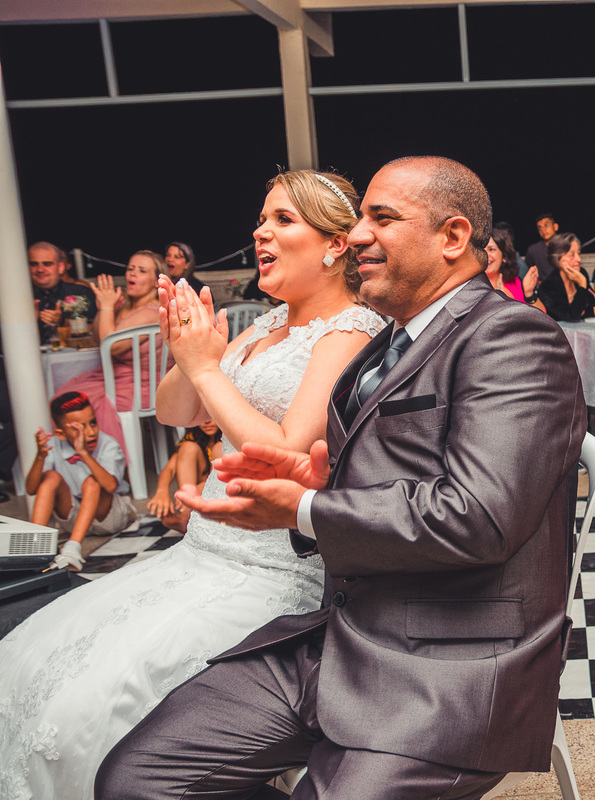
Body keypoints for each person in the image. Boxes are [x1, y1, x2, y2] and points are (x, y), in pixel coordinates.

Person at [96, 155, 587, 800]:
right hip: (342, 636)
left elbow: (478, 518)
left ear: (453, 238)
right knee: (136, 778)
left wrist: (305, 509)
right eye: (359, 220)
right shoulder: (392, 341)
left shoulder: (513, 338)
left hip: (449, 663)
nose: (357, 235)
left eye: (382, 219)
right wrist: (314, 478)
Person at [0, 169, 384, 800]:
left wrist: (208, 370)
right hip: (199, 554)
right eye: (261, 218)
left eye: (283, 220)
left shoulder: (349, 334)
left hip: (271, 573)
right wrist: (185, 352)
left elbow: (282, 448)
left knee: (81, 711)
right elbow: (177, 411)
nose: (261, 230)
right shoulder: (262, 327)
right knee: (25, 665)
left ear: (335, 246)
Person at [56, 250, 168, 460]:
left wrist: (108, 307)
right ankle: (76, 469)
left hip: (142, 386)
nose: (132, 275)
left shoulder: (150, 312)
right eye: (130, 269)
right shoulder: (128, 307)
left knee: (79, 404)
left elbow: (110, 345)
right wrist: (103, 309)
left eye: (142, 271)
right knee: (66, 397)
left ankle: (102, 466)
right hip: (119, 379)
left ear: (156, 282)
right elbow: (99, 338)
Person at [25, 391, 136, 571]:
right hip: (74, 517)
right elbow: (31, 490)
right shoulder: (56, 445)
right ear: (61, 434)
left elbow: (110, 486)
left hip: (109, 516)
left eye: (93, 422)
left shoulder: (108, 444)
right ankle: (34, 544)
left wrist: (83, 453)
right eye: (79, 428)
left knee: (92, 482)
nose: (91, 432)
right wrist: (40, 457)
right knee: (50, 477)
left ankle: (72, 549)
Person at [146, 418, 222, 533]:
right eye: (202, 417)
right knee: (188, 447)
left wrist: (201, 487)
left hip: (224, 490)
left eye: (211, 416)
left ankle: (214, 518)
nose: (207, 422)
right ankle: (187, 515)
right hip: (199, 494)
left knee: (220, 448)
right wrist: (162, 491)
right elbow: (170, 469)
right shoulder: (193, 437)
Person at [29, 241, 97, 345]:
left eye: (47, 264)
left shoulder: (76, 293)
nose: (40, 269)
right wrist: (28, 320)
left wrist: (62, 321)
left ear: (60, 267)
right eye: (34, 264)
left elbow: (88, 332)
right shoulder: (19, 297)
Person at [539, 231, 595, 322]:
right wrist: (582, 284)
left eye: (578, 253)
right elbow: (572, 317)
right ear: (558, 259)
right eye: (572, 255)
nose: (578, 259)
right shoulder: (548, 286)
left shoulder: (582, 273)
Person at [485, 229, 538, 306]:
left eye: (491, 249)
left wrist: (529, 293)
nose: (486, 255)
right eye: (482, 251)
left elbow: (542, 314)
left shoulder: (516, 282)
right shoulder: (473, 286)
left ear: (504, 256)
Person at [526, 213, 557, 277]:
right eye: (540, 228)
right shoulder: (533, 250)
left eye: (546, 225)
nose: (543, 230)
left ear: (555, 226)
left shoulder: (565, 246)